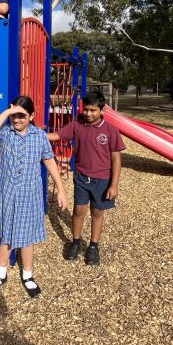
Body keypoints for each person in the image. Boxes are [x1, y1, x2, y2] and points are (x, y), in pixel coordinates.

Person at [0, 96, 67, 298]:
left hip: (29, 194)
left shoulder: (39, 136)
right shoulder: (6, 133)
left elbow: (50, 162)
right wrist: (8, 112)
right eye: (14, 116)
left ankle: (27, 275)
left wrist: (61, 189)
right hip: (6, 192)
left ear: (32, 116)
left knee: (27, 237)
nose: (17, 120)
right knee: (4, 232)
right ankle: (1, 273)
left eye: (22, 116)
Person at [46, 91, 125, 266]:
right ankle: (75, 242)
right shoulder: (77, 125)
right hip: (81, 177)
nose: (88, 114)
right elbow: (57, 136)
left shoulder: (110, 131)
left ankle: (93, 246)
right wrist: (34, 134)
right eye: (86, 110)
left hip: (102, 179)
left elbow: (116, 159)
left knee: (97, 213)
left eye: (93, 110)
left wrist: (114, 185)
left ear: (102, 110)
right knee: (79, 211)